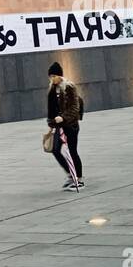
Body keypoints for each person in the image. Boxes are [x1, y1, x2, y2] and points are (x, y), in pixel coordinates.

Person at [46, 60, 83, 189]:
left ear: (60, 75)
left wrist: (63, 117)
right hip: (58, 127)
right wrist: (51, 122)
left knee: (72, 151)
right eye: (50, 76)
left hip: (71, 125)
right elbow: (51, 109)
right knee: (55, 150)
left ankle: (78, 179)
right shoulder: (51, 89)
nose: (52, 79)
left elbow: (75, 107)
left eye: (54, 76)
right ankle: (69, 174)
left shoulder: (69, 87)